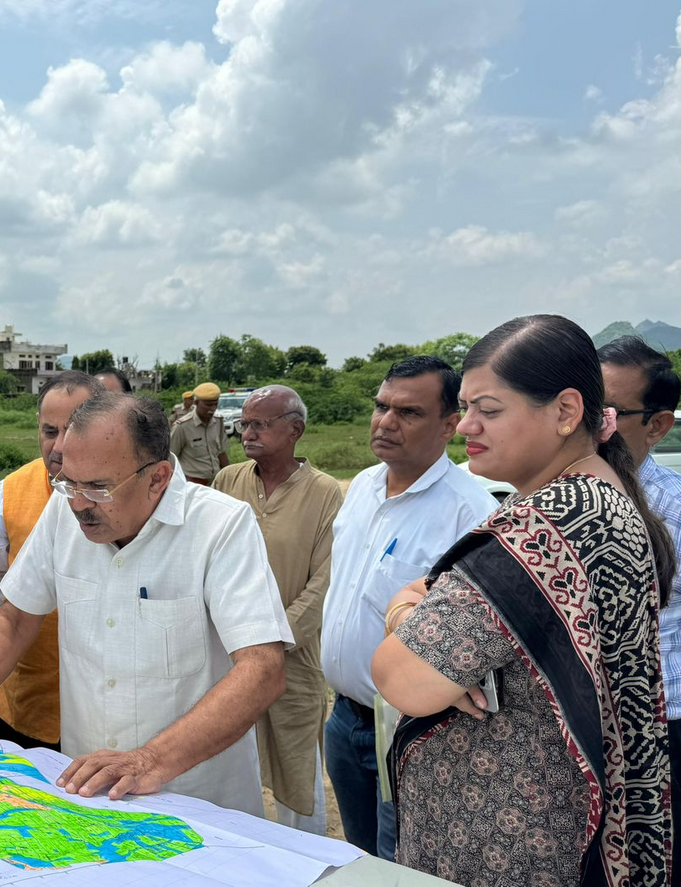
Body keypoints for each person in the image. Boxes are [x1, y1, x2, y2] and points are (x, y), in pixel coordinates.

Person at [374, 315, 673, 887]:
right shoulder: (600, 498)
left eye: (488, 409)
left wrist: (404, 610)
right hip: (565, 825)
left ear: (565, 412)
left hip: (516, 845)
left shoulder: (547, 524)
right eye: (464, 408)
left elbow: (402, 679)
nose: (465, 426)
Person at [0, 392, 292, 815]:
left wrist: (149, 760)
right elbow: (17, 617)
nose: (77, 503)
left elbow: (262, 669)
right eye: (68, 480)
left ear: (158, 477)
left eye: (98, 487)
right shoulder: (65, 511)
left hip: (196, 798)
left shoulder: (221, 527)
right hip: (89, 793)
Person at [321, 356, 496, 859]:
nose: (386, 422)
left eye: (408, 413)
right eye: (381, 407)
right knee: (359, 855)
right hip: (344, 720)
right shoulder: (360, 488)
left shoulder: (471, 512)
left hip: (414, 730)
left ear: (450, 425)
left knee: (405, 863)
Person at [212, 385, 342, 833]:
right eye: (243, 424)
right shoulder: (228, 481)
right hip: (227, 655)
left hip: (294, 657)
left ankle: (306, 863)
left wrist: (271, 637)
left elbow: (325, 582)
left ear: (295, 430)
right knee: (228, 758)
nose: (247, 433)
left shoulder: (325, 493)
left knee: (297, 771)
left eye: (259, 424)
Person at [0, 370, 103, 750]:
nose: (60, 446)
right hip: (28, 699)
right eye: (50, 431)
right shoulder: (10, 491)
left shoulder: (132, 498)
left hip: (105, 709)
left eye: (75, 430)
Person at [598, 335, 681, 877]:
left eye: (610, 412)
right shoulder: (543, 496)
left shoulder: (672, 512)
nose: (589, 425)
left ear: (658, 425)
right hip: (577, 733)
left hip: (660, 737)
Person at [169, 381, 229, 484]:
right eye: (208, 405)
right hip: (193, 485)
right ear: (196, 403)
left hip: (216, 482)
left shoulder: (218, 422)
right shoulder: (182, 427)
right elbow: (170, 458)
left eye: (215, 404)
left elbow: (221, 453)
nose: (213, 409)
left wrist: (229, 478)